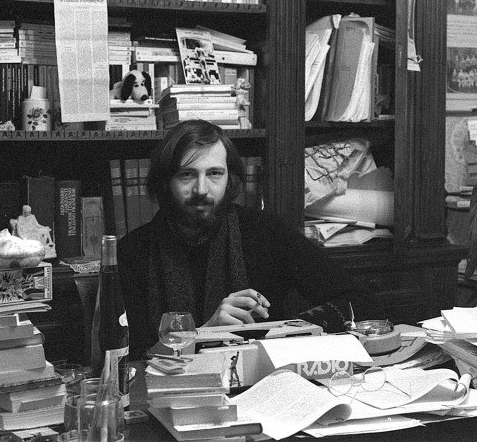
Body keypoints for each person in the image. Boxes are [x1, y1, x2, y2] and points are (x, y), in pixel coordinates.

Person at [118, 119, 385, 359]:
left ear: (230, 178)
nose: (201, 189)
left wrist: (285, 331)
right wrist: (204, 332)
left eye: (214, 174)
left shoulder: (265, 231)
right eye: (187, 174)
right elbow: (131, 356)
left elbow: (361, 302)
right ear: (165, 181)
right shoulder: (134, 250)